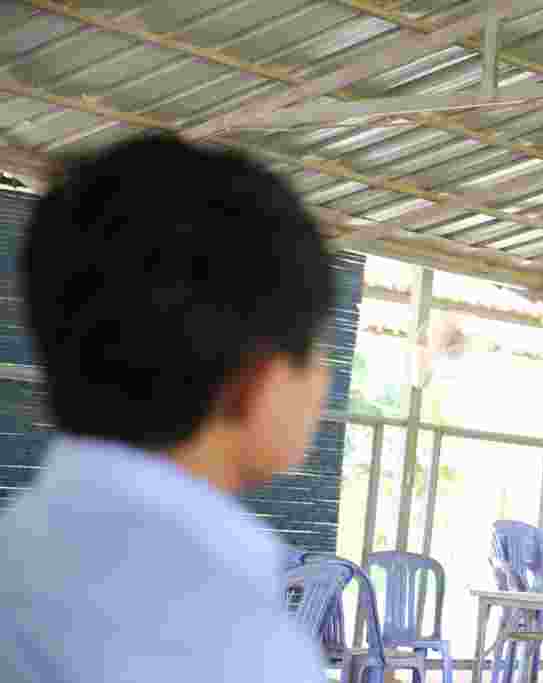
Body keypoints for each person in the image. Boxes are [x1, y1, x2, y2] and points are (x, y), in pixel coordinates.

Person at [0, 135, 333, 682]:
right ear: (253, 380)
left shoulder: (19, 558)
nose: (322, 380)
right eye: (315, 348)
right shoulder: (235, 648)